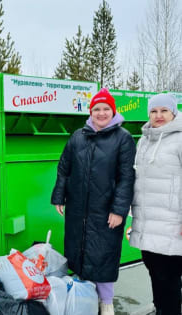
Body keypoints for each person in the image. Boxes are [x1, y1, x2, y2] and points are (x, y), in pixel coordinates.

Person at [51, 88, 136, 315]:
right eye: (96, 109)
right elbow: (64, 167)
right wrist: (59, 195)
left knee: (104, 255)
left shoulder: (123, 139)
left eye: (106, 109)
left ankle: (106, 302)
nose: (101, 113)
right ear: (90, 112)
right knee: (78, 250)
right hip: (79, 208)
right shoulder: (78, 136)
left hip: (106, 210)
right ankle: (83, 294)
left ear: (113, 111)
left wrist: (119, 210)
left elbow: (126, 177)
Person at [130, 93, 182, 315]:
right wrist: (134, 220)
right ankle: (161, 309)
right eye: (154, 111)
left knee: (169, 277)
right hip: (147, 223)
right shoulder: (144, 140)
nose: (158, 116)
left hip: (172, 223)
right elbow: (139, 181)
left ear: (174, 112)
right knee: (154, 271)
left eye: (164, 111)